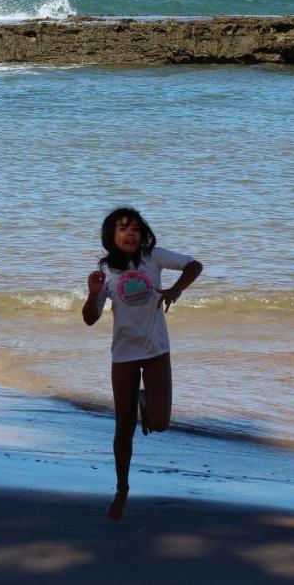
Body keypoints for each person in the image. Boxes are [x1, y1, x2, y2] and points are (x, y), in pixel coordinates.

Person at [82, 207, 203, 521]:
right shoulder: (106, 271)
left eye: (135, 228)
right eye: (123, 229)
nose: (130, 233)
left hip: (155, 351)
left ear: (143, 233)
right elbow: (90, 319)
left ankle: (143, 398)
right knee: (124, 428)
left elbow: (194, 265)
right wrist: (92, 293)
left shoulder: (154, 258)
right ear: (111, 236)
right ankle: (122, 489)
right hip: (123, 355)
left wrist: (177, 289)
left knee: (160, 423)